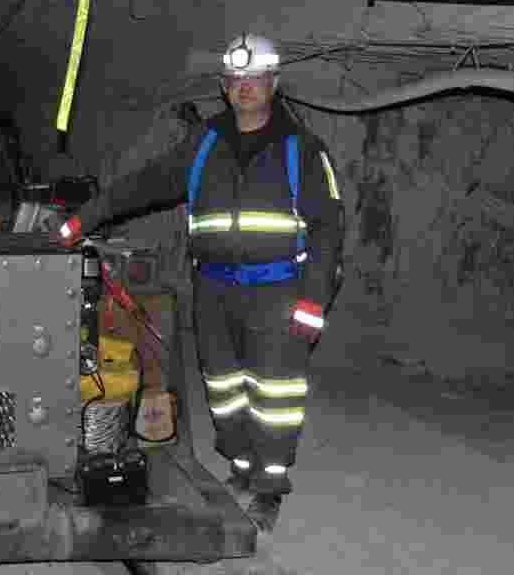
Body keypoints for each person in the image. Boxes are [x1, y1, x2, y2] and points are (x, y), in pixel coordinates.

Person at [55, 34, 344, 531]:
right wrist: (83, 220)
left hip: (277, 292)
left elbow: (329, 228)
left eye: (254, 79)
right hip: (212, 290)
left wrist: (314, 300)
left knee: (274, 395)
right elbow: (145, 183)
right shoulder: (205, 144)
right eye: (235, 80)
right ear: (224, 86)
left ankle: (269, 488)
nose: (244, 88)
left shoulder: (303, 150)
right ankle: (239, 466)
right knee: (225, 387)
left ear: (274, 83)